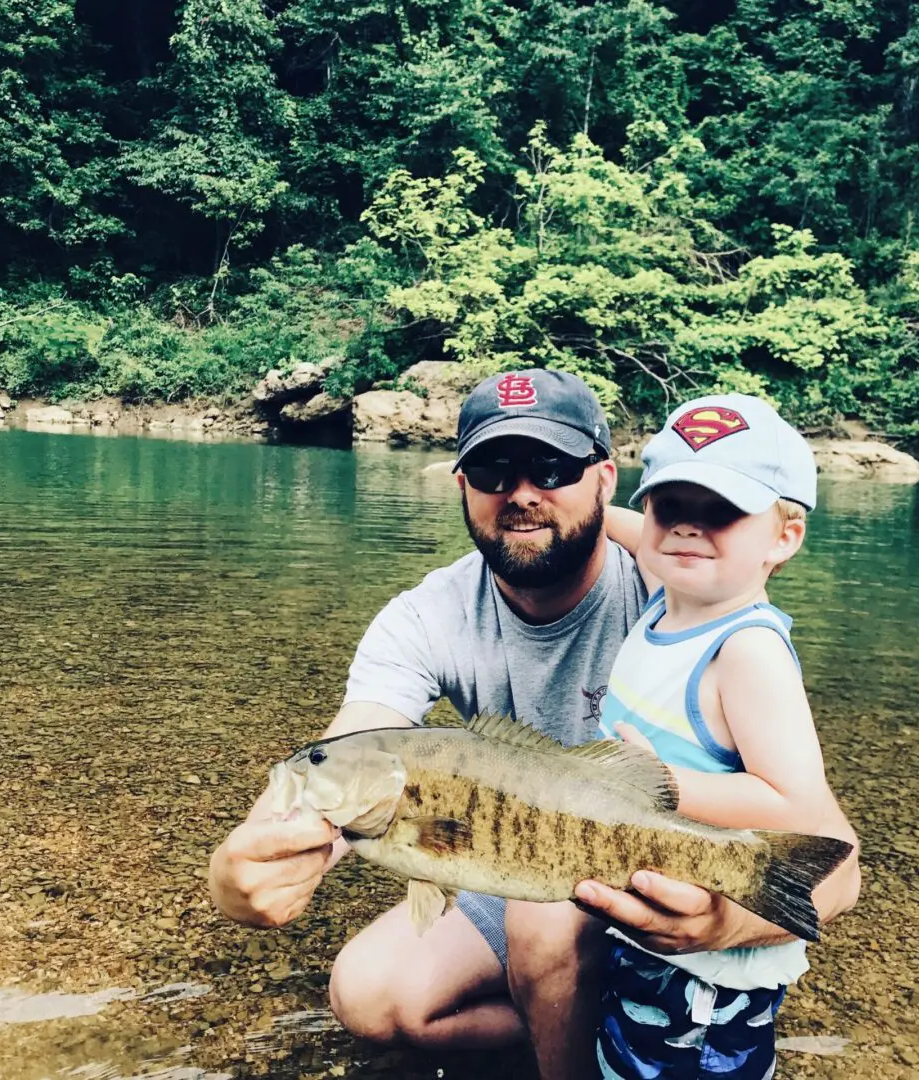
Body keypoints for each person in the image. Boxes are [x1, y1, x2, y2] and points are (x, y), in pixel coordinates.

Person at [207, 372, 861, 1080]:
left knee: (543, 923)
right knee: (372, 996)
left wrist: (721, 924)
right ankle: (579, 1018)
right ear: (461, 485)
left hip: (649, 861)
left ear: (607, 480)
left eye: (553, 467)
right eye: (493, 469)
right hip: (519, 852)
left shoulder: (682, 591)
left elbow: (840, 870)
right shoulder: (425, 618)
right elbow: (359, 744)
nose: (521, 492)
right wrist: (246, 864)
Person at [592, 393, 853, 1079]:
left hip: (713, 965)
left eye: (720, 512)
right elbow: (633, 529)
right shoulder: (670, 594)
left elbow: (793, 802)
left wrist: (669, 785)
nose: (687, 528)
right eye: (669, 505)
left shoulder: (746, 650)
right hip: (654, 929)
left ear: (784, 538)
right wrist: (585, 509)